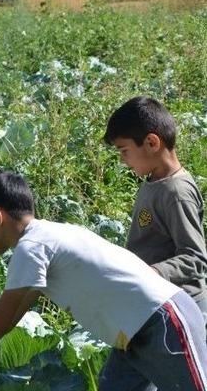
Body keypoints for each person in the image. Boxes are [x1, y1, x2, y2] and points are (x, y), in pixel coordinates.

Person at [0, 170, 207, 391]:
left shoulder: (32, 247)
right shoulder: (48, 236)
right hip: (132, 335)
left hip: (162, 322)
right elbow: (6, 320)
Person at [104, 96, 207, 323]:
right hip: (157, 302)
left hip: (181, 310)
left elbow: (195, 258)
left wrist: (153, 272)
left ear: (151, 143)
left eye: (124, 151)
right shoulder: (154, 181)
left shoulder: (177, 193)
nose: (122, 160)